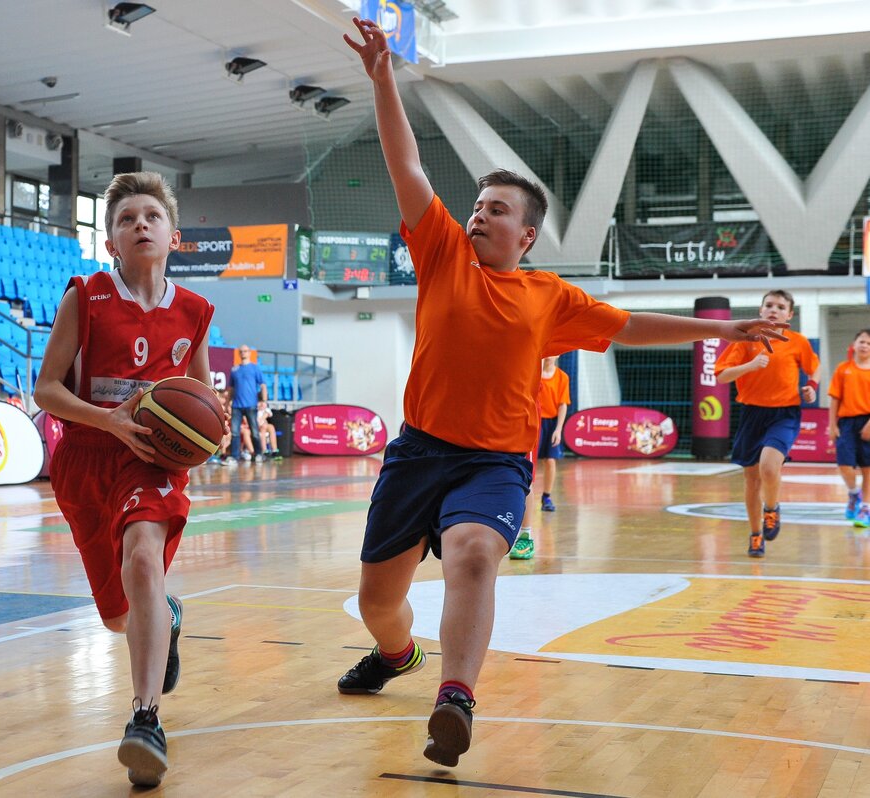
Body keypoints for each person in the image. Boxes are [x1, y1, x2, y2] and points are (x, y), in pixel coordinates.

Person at [336, 17, 790, 770]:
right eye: (478, 204)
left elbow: (629, 326)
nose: (479, 214)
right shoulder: (442, 254)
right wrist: (384, 77)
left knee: (473, 556)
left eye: (497, 209)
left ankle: (456, 696)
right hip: (416, 453)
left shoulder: (548, 296)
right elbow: (405, 163)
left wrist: (718, 327)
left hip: (492, 462)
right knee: (379, 601)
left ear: (526, 236)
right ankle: (394, 654)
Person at [32, 171, 216, 788]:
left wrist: (205, 434)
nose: (140, 224)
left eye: (151, 217)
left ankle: (145, 719)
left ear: (173, 237)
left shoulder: (194, 312)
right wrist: (108, 420)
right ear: (110, 241)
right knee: (119, 616)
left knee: (143, 558)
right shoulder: (85, 296)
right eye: (126, 219)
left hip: (152, 461)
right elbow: (46, 389)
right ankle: (167, 615)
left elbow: (202, 398)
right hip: (87, 456)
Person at [715, 289, 820, 557]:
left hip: (784, 414)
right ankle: (755, 535)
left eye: (781, 307)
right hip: (752, 414)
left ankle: (771, 509)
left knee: (769, 467)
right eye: (769, 305)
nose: (774, 310)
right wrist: (749, 365)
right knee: (751, 479)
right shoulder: (746, 340)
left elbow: (814, 367)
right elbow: (722, 376)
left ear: (790, 314)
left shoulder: (797, 341)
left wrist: (811, 386)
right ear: (761, 310)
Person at [509, 356, 570, 560]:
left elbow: (563, 404)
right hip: (528, 420)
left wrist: (559, 429)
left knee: (545, 464)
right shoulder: (532, 372)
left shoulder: (561, 377)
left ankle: (545, 499)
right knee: (524, 472)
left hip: (547, 421)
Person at [827, 329, 870, 526]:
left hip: (868, 421)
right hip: (846, 422)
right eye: (862, 341)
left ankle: (866, 509)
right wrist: (832, 425)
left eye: (869, 343)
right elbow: (835, 398)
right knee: (844, 465)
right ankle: (854, 493)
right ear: (854, 345)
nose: (865, 346)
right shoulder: (843, 368)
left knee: (867, 469)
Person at [227, 344, 266, 463]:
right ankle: (234, 456)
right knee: (235, 432)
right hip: (236, 406)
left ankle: (258, 454)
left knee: (254, 431)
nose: (243, 353)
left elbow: (263, 385)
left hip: (251, 405)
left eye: (245, 351)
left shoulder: (255, 368)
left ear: (249, 353)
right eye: (241, 351)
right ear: (239, 353)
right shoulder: (234, 369)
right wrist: (228, 402)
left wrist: (264, 401)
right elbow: (231, 388)